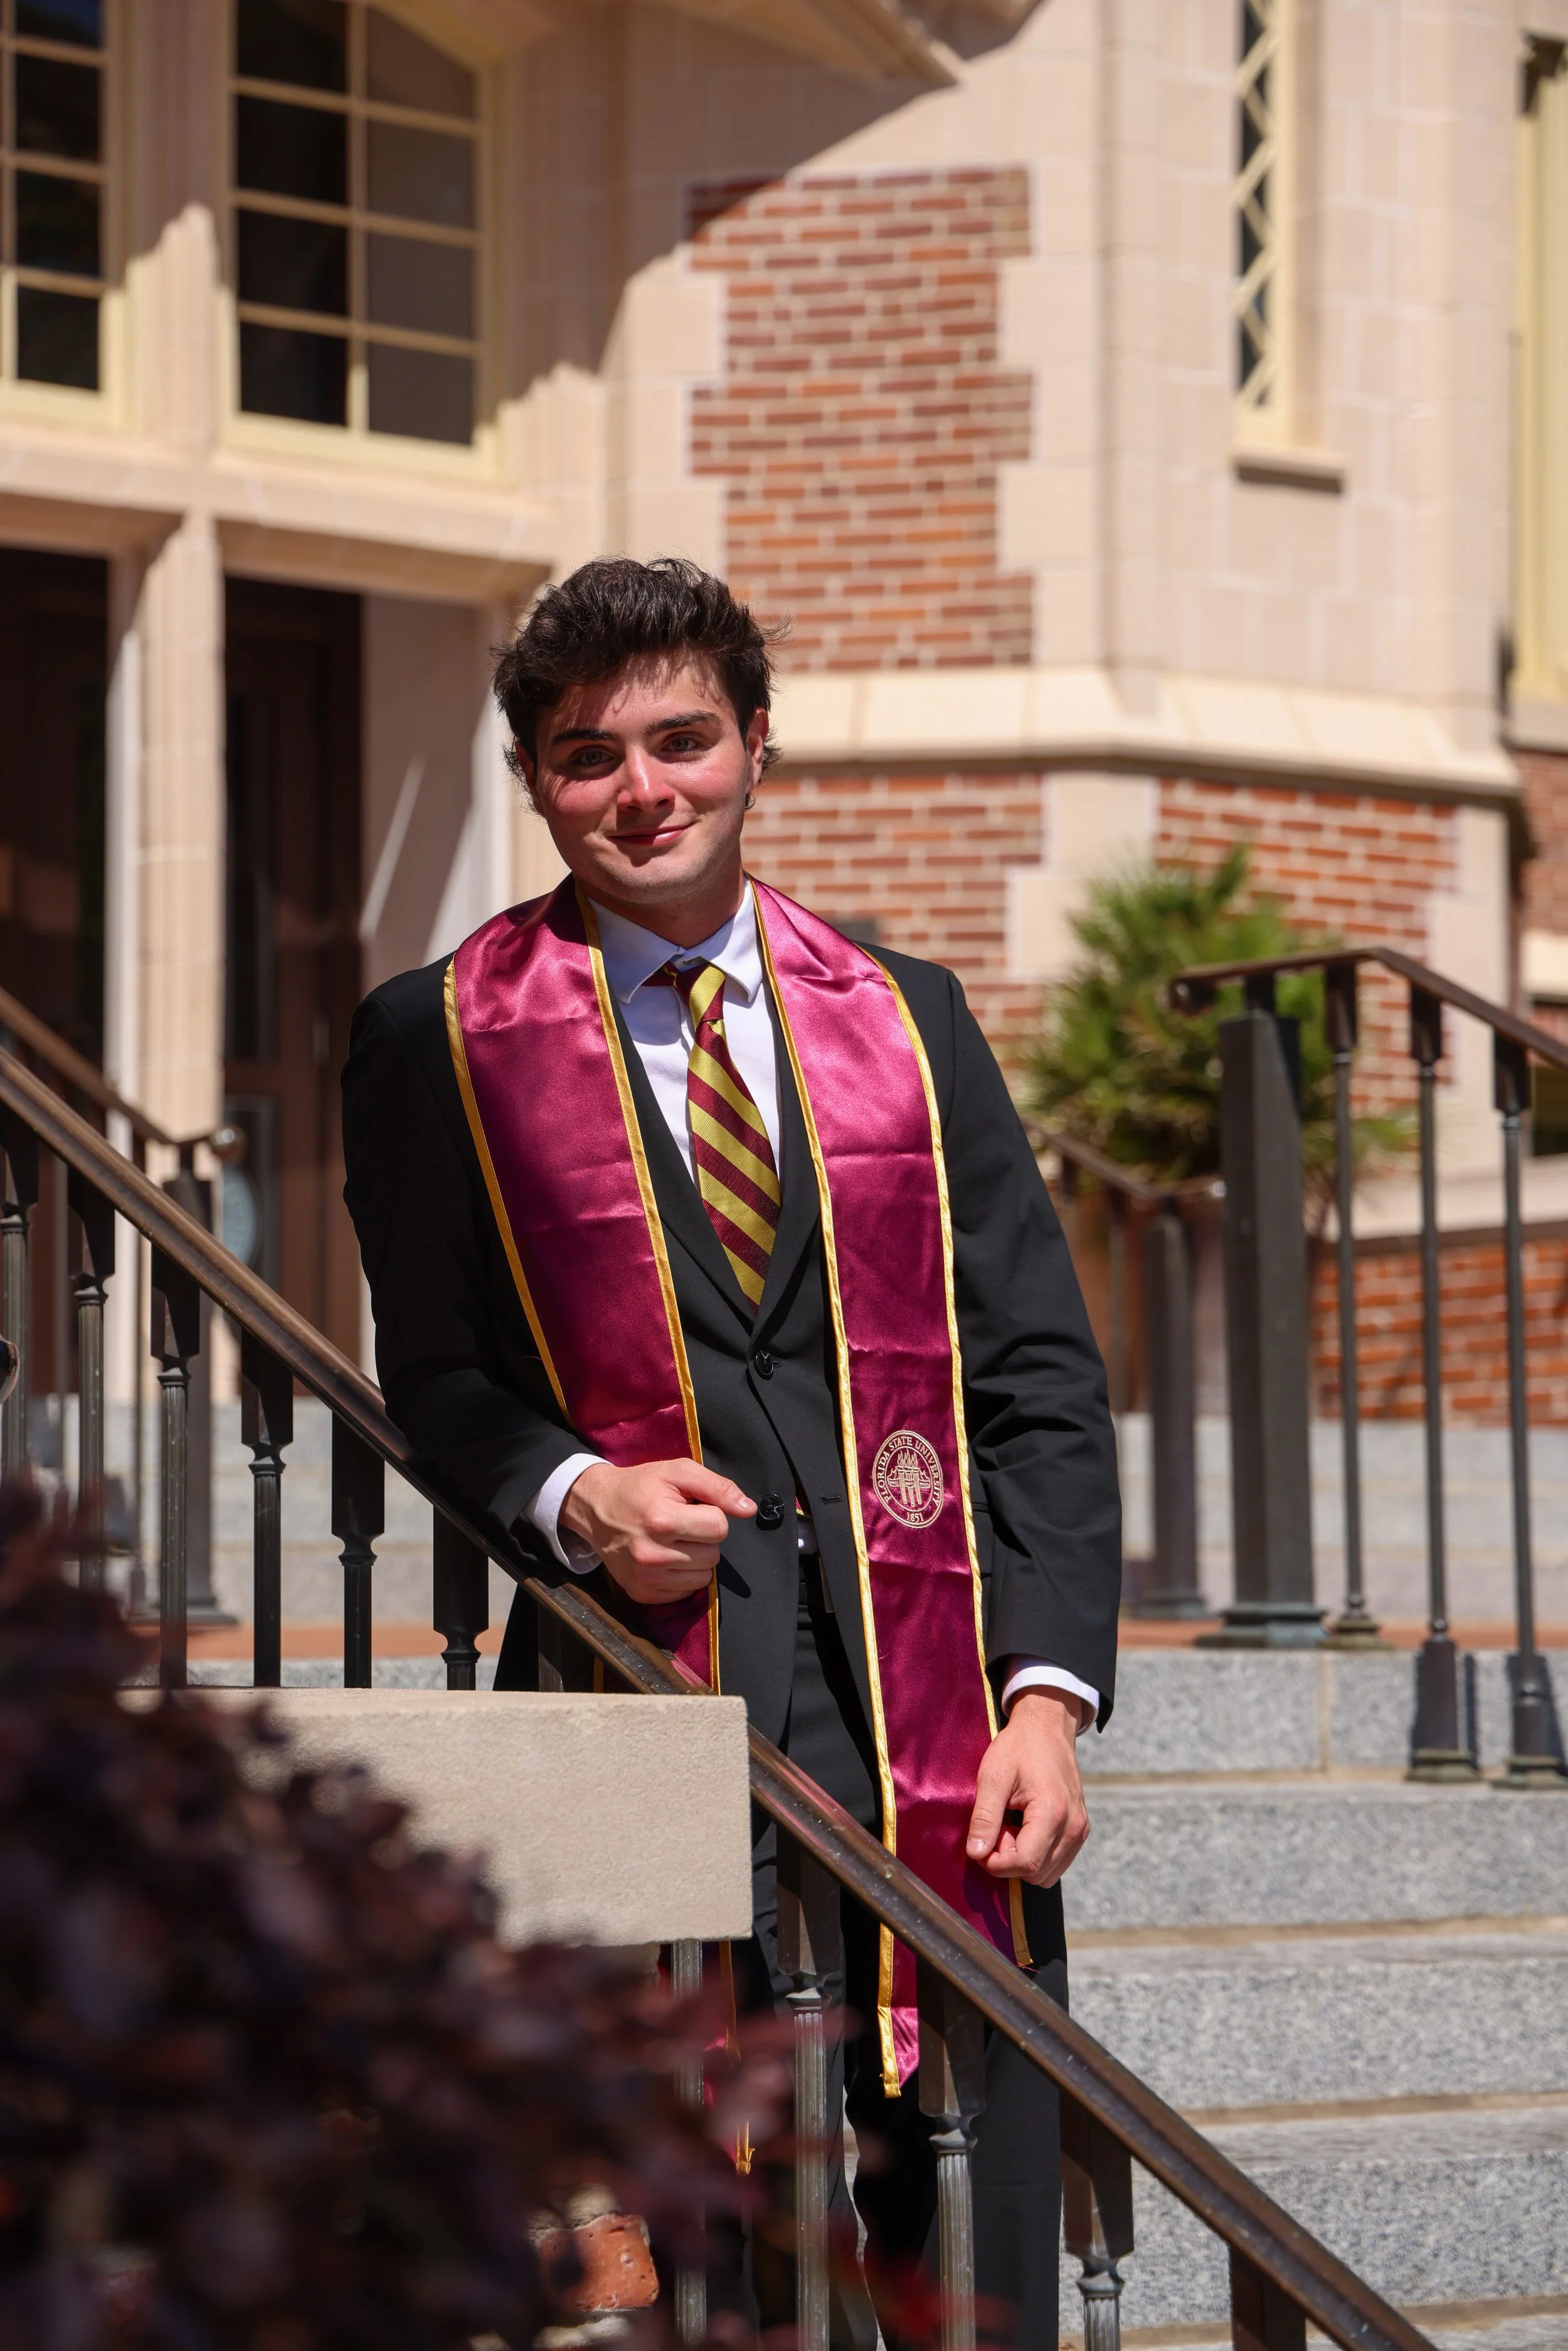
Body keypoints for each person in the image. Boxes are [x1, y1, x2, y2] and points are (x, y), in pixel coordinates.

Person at [341, 557, 1121, 2351]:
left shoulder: (909, 1018)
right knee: (701, 2216)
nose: (644, 789)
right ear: (536, 783)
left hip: (925, 1698)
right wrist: (576, 1494)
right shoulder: (438, 1038)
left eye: (682, 740)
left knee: (971, 2215)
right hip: (643, 1676)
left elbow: (1037, 1379)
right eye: (588, 755)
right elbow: (435, 1371)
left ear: (758, 745)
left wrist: (1047, 1694)